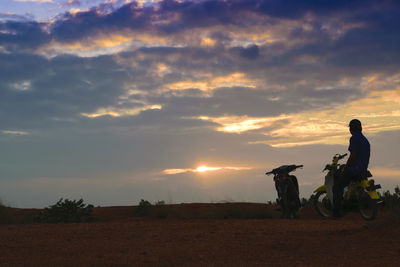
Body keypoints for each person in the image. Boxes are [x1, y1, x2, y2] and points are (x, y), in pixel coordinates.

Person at [332, 119, 370, 218]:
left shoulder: (354, 138)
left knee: (337, 186)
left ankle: (336, 213)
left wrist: (346, 167)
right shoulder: (365, 140)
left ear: (352, 128)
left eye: (350, 127)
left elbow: (353, 156)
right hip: (363, 169)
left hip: (354, 170)